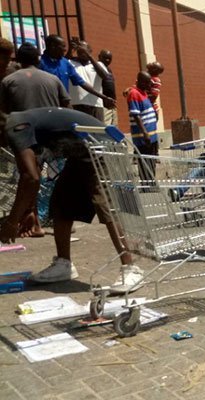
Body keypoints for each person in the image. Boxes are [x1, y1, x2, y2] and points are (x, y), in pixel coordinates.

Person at [0, 107, 144, 290]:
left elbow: (30, 177)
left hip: (101, 146)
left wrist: (12, 222)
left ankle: (130, 267)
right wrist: (28, 210)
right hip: (80, 152)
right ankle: (63, 265)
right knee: (61, 203)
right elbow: (33, 170)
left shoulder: (15, 127)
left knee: (106, 205)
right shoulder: (17, 123)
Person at [0, 43, 70, 239]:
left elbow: (4, 112)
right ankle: (59, 220)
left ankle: (34, 221)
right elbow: (67, 106)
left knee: (30, 177)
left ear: (18, 60)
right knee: (54, 179)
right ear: (38, 58)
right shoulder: (53, 79)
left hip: (24, 137)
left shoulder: (8, 81)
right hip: (53, 136)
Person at [39, 35, 114, 106]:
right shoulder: (39, 63)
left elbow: (82, 83)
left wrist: (104, 97)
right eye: (63, 46)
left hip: (64, 104)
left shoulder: (65, 63)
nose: (65, 49)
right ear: (53, 47)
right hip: (47, 103)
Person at [68, 40, 113, 121]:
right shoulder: (70, 63)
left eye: (84, 50)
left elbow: (105, 76)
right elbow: (61, 63)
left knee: (98, 131)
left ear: (90, 51)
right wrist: (70, 50)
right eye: (79, 50)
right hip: (76, 104)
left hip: (95, 105)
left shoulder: (99, 64)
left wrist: (89, 56)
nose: (82, 52)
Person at [126, 72, 159, 181]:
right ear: (141, 82)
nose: (150, 85)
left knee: (151, 160)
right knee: (145, 160)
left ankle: (151, 181)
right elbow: (136, 114)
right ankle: (147, 183)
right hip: (143, 136)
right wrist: (145, 132)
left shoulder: (143, 93)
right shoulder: (134, 94)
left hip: (152, 135)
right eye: (148, 82)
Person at [97, 49, 117, 126]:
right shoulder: (96, 68)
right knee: (106, 128)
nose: (107, 60)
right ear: (99, 57)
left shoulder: (108, 69)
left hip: (112, 105)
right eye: (105, 57)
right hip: (104, 106)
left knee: (114, 129)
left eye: (109, 58)